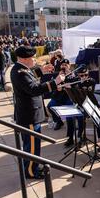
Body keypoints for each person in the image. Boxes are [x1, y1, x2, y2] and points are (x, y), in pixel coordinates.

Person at [10, 46, 65, 179]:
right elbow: (33, 89)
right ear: (24, 59)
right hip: (29, 116)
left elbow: (30, 76)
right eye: (32, 58)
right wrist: (55, 82)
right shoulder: (20, 72)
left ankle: (33, 167)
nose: (34, 60)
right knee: (32, 147)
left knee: (33, 145)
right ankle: (30, 171)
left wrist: (42, 70)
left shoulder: (20, 69)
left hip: (29, 114)